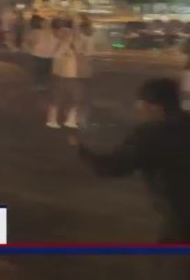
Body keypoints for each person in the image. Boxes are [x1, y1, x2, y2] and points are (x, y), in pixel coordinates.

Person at [69, 78, 190, 264]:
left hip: (180, 216)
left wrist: (81, 150)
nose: (139, 112)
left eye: (141, 107)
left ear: (155, 107)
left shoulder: (150, 133)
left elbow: (113, 166)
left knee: (172, 264)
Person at [47, 26, 82, 129]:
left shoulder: (72, 47)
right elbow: (56, 57)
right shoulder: (58, 46)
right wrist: (64, 44)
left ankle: (70, 120)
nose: (71, 38)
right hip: (60, 78)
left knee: (74, 100)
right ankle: (52, 121)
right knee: (56, 101)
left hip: (72, 77)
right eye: (69, 36)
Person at [26, 17, 56, 90]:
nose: (46, 25)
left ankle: (45, 85)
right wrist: (32, 46)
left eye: (47, 23)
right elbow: (29, 40)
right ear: (41, 24)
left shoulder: (53, 32)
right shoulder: (36, 32)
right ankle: (38, 85)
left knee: (46, 71)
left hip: (49, 55)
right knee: (39, 70)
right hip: (38, 54)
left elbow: (57, 42)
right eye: (44, 23)